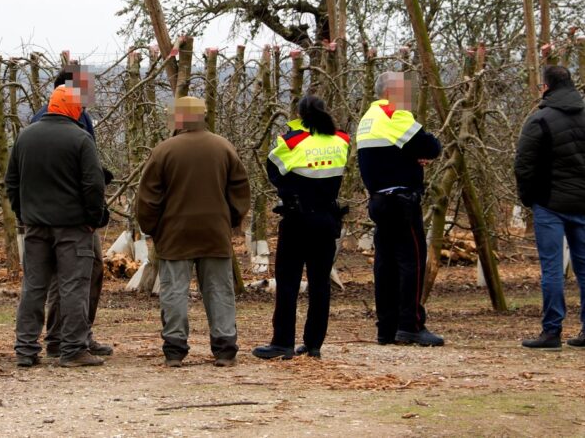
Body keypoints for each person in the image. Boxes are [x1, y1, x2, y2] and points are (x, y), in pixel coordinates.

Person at [137, 96, 250, 367]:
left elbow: (148, 196)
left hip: (175, 233)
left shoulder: (164, 151)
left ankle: (174, 349)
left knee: (174, 291)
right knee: (219, 290)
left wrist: (151, 227)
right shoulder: (224, 147)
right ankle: (225, 348)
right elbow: (240, 189)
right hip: (214, 232)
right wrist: (230, 220)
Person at [6, 84, 108, 367]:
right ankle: (72, 349)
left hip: (35, 226)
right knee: (73, 286)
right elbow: (93, 183)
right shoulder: (81, 138)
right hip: (73, 227)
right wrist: (92, 219)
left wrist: (23, 213)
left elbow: (12, 182)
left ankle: (25, 350)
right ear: (74, 107)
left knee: (34, 287)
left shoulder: (24, 137)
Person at [252, 95, 350, 360]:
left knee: (288, 282)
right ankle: (314, 343)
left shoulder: (291, 141)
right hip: (328, 220)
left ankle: (282, 342)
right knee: (320, 283)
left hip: (298, 219)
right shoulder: (342, 140)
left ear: (300, 114)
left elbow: (274, 170)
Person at [356, 71, 444, 347]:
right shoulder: (395, 115)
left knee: (385, 264)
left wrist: (409, 157)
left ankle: (386, 328)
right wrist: (417, 156)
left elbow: (389, 155)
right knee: (412, 261)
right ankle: (411, 325)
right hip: (402, 201)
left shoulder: (368, 119)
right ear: (392, 93)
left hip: (378, 201)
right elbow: (431, 147)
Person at [31, 66, 113, 358]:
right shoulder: (68, 119)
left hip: (53, 212)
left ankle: (62, 337)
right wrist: (94, 214)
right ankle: (74, 339)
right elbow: (78, 169)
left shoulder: (50, 117)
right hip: (73, 215)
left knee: (64, 276)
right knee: (81, 273)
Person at [515, 65, 585, 350]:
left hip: (550, 204)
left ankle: (552, 331)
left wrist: (528, 198)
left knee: (552, 269)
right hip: (583, 203)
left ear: (545, 87)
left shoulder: (539, 120)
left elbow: (524, 166)